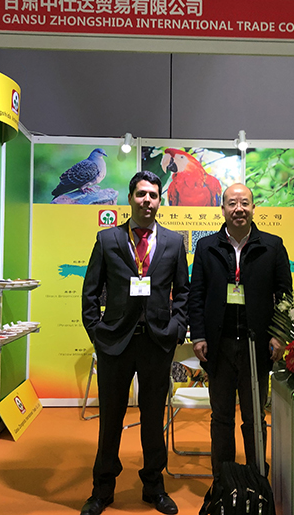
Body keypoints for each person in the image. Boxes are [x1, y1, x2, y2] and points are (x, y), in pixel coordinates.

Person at [81, 171, 189, 515]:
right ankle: (102, 489)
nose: (147, 201)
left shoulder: (173, 242)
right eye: (141, 194)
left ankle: (154, 486)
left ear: (160, 201)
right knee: (110, 419)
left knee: (154, 418)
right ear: (130, 198)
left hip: (157, 343)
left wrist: (176, 328)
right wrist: (97, 333)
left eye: (153, 195)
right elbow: (90, 292)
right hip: (115, 343)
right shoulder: (107, 239)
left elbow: (183, 293)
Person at [189, 182, 292, 476]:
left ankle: (256, 477)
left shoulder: (272, 246)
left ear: (253, 208)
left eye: (244, 203)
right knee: (221, 417)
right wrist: (198, 335)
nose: (239, 209)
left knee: (254, 417)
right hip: (218, 345)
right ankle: (224, 478)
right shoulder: (206, 247)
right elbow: (197, 295)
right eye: (232, 203)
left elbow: (285, 295)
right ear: (222, 209)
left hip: (256, 346)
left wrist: (279, 334)